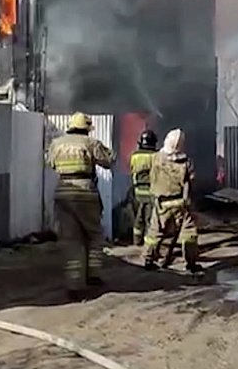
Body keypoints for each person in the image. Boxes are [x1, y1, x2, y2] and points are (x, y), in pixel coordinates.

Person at [46, 112, 115, 300]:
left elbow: (51, 163)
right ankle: (93, 276)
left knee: (71, 239)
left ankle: (74, 284)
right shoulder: (90, 143)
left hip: (63, 191)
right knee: (94, 234)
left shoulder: (56, 143)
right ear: (86, 128)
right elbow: (109, 161)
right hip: (85, 191)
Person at [142, 129, 201, 273]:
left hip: (161, 203)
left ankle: (148, 260)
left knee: (155, 233)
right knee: (189, 234)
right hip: (182, 204)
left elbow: (150, 175)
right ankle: (190, 264)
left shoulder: (156, 158)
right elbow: (191, 182)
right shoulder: (187, 162)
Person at [127, 129, 158, 246]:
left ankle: (136, 241)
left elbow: (132, 170)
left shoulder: (135, 155)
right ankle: (148, 245)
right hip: (151, 192)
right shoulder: (156, 156)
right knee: (150, 220)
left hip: (138, 192)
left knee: (138, 218)